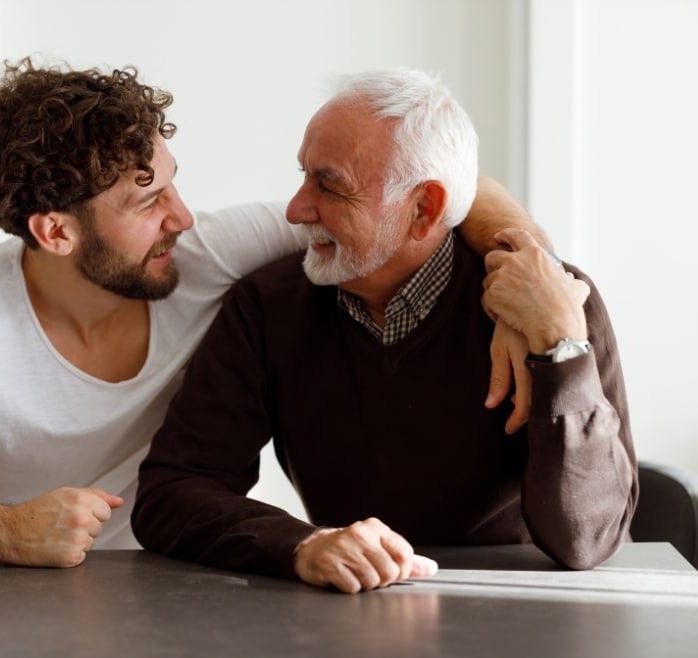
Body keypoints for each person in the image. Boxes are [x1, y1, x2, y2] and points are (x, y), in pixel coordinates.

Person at [0, 58, 548, 568]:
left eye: (172, 180)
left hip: (185, 582)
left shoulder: (205, 255)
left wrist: (524, 282)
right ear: (55, 232)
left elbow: (441, 196)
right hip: (5, 607)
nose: (184, 217)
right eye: (146, 198)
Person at [131, 68, 636, 593]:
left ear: (425, 208)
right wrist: (301, 545)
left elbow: (587, 541)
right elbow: (174, 490)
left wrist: (561, 351)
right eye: (303, 175)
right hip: (347, 609)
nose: (296, 209)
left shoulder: (555, 304)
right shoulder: (267, 307)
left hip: (516, 610)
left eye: (329, 185)